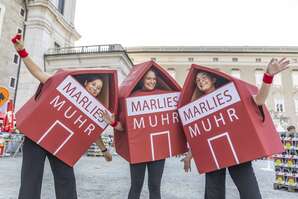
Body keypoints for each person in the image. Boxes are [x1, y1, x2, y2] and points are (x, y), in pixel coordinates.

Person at [11, 34, 112, 199]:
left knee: (67, 181)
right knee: (30, 180)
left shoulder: (94, 108)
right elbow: (37, 72)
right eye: (94, 84)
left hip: (62, 144)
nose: (95, 89)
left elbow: (93, 130)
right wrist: (22, 51)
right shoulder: (63, 85)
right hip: (37, 136)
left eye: (99, 88)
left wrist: (104, 150)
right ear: (86, 83)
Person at [183, 58, 290, 199]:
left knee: (250, 193)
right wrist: (190, 154)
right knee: (213, 195)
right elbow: (200, 134)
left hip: (236, 149)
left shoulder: (232, 93)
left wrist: (268, 76)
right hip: (213, 153)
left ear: (213, 79)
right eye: (197, 80)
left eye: (204, 77)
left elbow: (259, 100)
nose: (200, 81)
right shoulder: (198, 106)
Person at [102, 70, 166, 199]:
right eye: (148, 78)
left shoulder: (163, 97)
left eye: (153, 79)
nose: (152, 81)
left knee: (155, 186)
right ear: (142, 80)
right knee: (136, 186)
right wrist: (113, 123)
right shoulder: (131, 98)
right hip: (138, 150)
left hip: (157, 151)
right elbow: (124, 127)